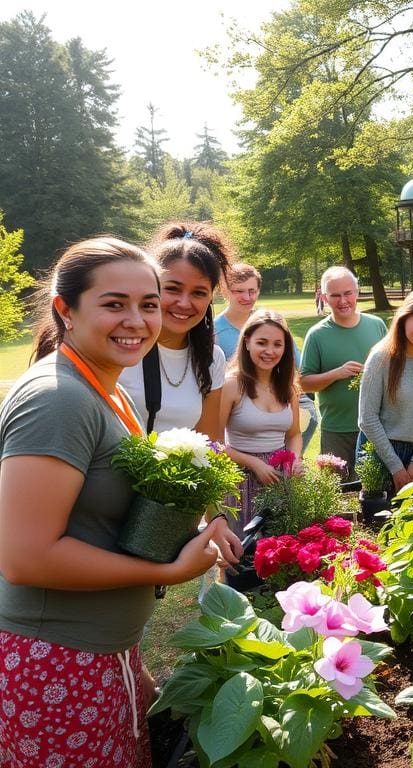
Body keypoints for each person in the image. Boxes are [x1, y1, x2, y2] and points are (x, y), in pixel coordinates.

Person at [0, 238, 240, 767]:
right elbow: (26, 557)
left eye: (147, 304)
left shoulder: (109, 390)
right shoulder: (57, 399)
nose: (137, 320)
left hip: (102, 651)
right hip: (58, 661)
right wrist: (173, 570)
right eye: (114, 304)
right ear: (65, 310)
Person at [119, 222, 230, 440]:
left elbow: (210, 444)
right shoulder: (120, 345)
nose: (184, 303)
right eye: (172, 289)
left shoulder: (211, 359)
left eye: (199, 293)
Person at [214, 263, 318, 451]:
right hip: (239, 403)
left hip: (276, 394)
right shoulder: (215, 332)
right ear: (225, 291)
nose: (247, 297)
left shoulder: (270, 323)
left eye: (252, 291)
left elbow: (296, 366)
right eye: (239, 291)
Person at [220, 310, 304, 534]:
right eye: (262, 343)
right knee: (241, 552)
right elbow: (213, 444)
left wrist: (295, 459)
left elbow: (294, 434)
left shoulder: (289, 387)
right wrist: (254, 463)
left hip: (279, 480)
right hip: (240, 481)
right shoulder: (231, 385)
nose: (270, 351)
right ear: (247, 342)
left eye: (278, 344)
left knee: (280, 550)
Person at [357, 288, 413, 493]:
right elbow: (367, 418)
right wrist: (396, 467)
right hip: (378, 453)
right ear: (404, 319)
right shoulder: (381, 357)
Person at [300, 267, 387, 479]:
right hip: (336, 430)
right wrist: (337, 373)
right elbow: (303, 383)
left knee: (377, 490)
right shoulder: (317, 335)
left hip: (377, 426)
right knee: (339, 494)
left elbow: (393, 371)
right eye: (335, 295)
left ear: (357, 292)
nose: (343, 301)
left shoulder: (377, 326)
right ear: (324, 297)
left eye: (348, 293)